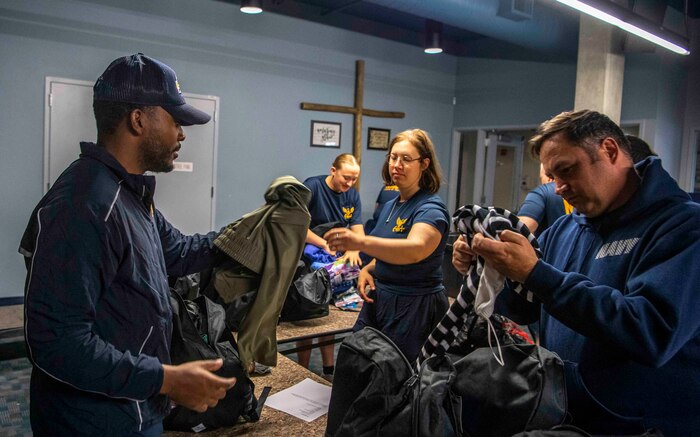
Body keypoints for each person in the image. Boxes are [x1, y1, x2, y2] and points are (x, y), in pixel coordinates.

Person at [19, 53, 237, 436]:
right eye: (175, 121)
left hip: (134, 410)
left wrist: (255, 230)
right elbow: (57, 343)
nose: (182, 134)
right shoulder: (86, 205)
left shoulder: (131, 194)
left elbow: (179, 252)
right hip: (91, 422)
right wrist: (165, 380)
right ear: (138, 120)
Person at [452, 110, 700, 434]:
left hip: (646, 425)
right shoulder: (565, 228)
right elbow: (526, 306)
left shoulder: (682, 226)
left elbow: (651, 332)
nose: (558, 188)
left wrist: (536, 274)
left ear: (609, 151)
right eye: (552, 176)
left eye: (567, 170)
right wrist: (489, 272)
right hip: (568, 413)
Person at [325, 129, 450, 363]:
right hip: (380, 299)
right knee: (355, 360)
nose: (397, 165)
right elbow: (388, 249)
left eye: (406, 159)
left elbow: (415, 249)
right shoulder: (392, 204)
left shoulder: (430, 208)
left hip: (413, 306)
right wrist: (369, 268)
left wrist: (361, 242)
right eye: (393, 157)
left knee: (394, 378)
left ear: (424, 163)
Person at [297, 153, 365, 380]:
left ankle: (328, 370)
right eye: (346, 178)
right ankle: (303, 369)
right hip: (309, 256)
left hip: (334, 260)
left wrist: (355, 248)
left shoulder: (352, 196)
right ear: (333, 170)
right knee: (309, 318)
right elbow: (297, 226)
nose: (349, 183)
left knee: (328, 319)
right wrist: (324, 244)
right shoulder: (313, 187)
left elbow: (357, 228)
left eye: (354, 179)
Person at [518, 163, 573, 237]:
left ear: (549, 177)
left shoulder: (543, 192)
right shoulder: (582, 192)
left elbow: (520, 230)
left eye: (541, 177)